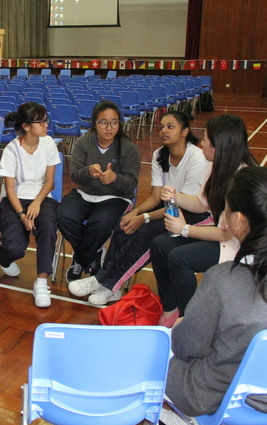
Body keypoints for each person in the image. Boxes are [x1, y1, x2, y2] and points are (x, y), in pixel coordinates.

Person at [165, 167, 267, 420]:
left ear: (236, 219)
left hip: (228, 400)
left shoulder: (222, 280)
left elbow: (186, 348)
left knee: (155, 352)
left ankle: (173, 420)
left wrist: (181, 326)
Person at [69, 111, 209, 305]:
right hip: (169, 206)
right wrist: (134, 213)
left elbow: (182, 205)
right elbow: (155, 196)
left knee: (145, 232)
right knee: (124, 224)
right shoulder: (160, 154)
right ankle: (112, 288)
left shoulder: (197, 159)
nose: (163, 131)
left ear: (185, 131)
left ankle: (103, 281)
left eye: (170, 127)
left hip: (194, 213)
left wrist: (144, 218)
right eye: (161, 127)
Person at [152, 114, 258, 327]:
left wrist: (185, 229)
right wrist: (174, 195)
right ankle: (170, 308)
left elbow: (226, 233)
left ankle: (190, 319)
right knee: (160, 244)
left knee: (179, 259)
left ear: (220, 146)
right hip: (224, 234)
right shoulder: (217, 165)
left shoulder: (241, 179)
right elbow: (201, 204)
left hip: (239, 246)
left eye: (206, 140)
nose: (202, 143)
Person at [56, 100, 141, 286]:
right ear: (95, 124)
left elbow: (131, 185)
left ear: (119, 123)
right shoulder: (82, 143)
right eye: (103, 122)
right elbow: (75, 176)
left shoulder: (128, 148)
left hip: (115, 197)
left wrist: (114, 179)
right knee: (63, 215)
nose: (109, 128)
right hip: (84, 194)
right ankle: (92, 255)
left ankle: (80, 259)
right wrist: (88, 172)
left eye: (114, 122)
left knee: (100, 224)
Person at [0, 102, 61, 308]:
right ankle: (3, 258)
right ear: (26, 126)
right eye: (41, 122)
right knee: (14, 247)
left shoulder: (48, 143)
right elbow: (10, 190)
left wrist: (37, 203)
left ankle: (41, 282)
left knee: (48, 227)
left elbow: (50, 182)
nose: (46, 125)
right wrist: (22, 215)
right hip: (14, 199)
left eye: (45, 121)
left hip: (41, 196)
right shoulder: (11, 150)